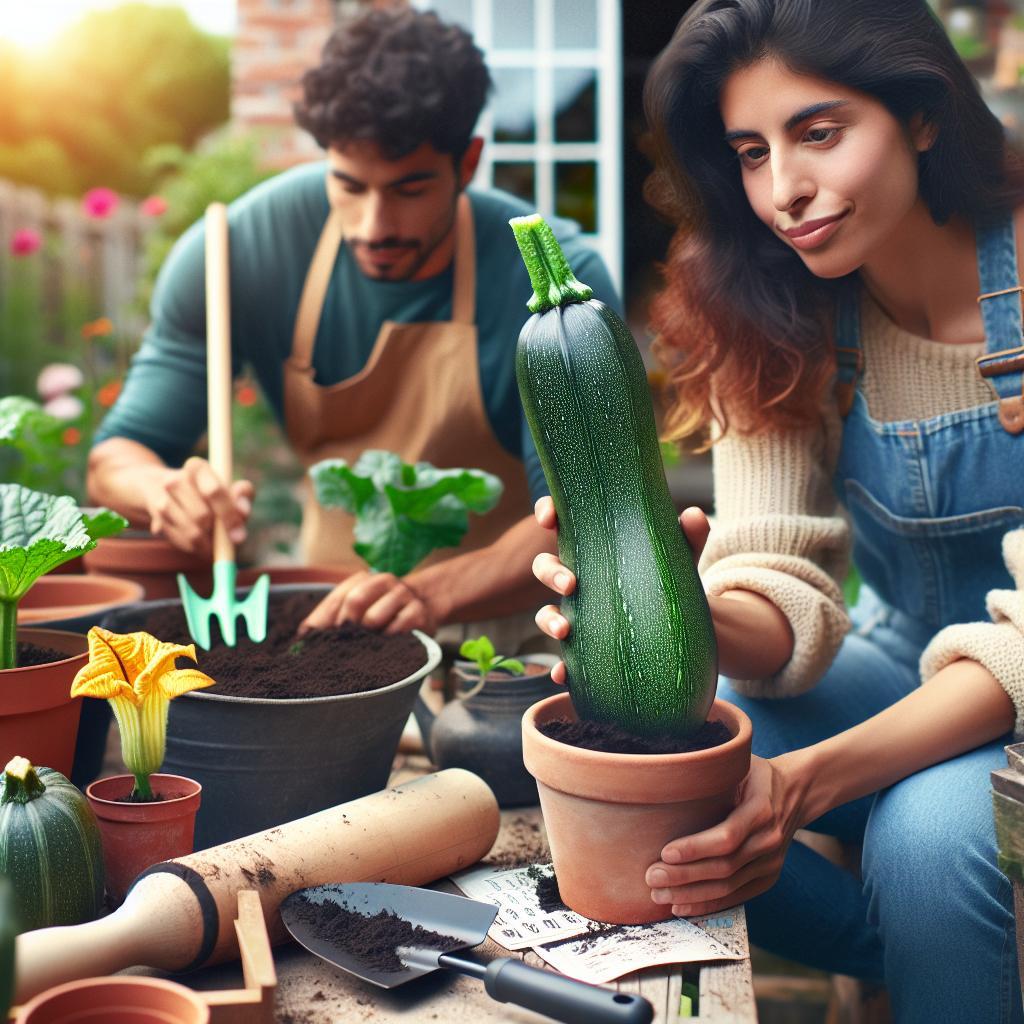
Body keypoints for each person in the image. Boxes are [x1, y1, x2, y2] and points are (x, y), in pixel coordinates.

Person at [531, 1, 1024, 1020]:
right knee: (646, 751)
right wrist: (669, 605)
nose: (783, 191)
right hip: (905, 651)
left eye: (819, 133)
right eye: (751, 152)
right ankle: (927, 965)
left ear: (921, 115)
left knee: (924, 836)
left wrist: (802, 782)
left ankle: (934, 946)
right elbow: (773, 581)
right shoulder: (770, 306)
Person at [87, 7, 619, 650]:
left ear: (469, 163)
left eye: (410, 189)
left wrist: (429, 592)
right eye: (348, 184)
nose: (374, 225)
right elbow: (116, 457)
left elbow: (589, 518)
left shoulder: (552, 281)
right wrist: (163, 490)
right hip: (327, 628)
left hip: (513, 641)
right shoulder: (238, 251)